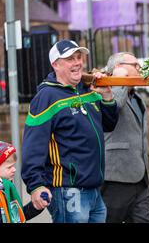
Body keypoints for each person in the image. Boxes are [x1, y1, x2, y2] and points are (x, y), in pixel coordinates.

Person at [21, 40, 119, 223]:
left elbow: (109, 125)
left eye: (79, 57)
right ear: (55, 64)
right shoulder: (46, 97)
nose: (77, 62)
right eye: (69, 59)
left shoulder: (88, 90)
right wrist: (35, 185)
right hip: (68, 190)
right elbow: (33, 146)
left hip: (95, 190)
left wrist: (107, 96)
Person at [100, 52, 149, 223]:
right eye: (135, 65)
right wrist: (118, 80)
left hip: (140, 178)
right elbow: (113, 106)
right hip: (116, 179)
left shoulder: (137, 97)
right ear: (118, 68)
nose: (139, 69)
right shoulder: (103, 89)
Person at [0, 142, 45, 223]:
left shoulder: (7, 187)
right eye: (9, 167)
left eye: (13, 166)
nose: (14, 169)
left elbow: (17, 216)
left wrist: (35, 207)